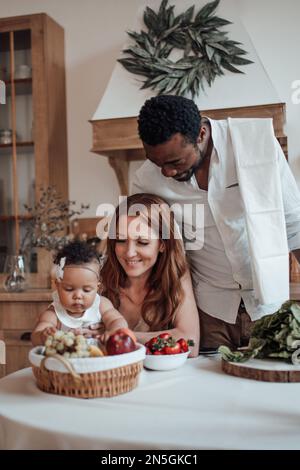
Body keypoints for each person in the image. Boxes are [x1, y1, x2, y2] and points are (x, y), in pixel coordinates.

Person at [132, 94, 300, 350]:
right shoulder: (146, 179)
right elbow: (143, 246)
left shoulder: (256, 143)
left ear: (200, 134)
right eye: (158, 163)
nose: (167, 172)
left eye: (175, 162)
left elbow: (294, 225)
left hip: (268, 305)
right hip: (208, 311)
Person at [99, 193, 200, 357]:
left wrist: (122, 335)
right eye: (120, 240)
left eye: (142, 242)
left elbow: (191, 342)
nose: (129, 253)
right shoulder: (98, 276)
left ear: (162, 244)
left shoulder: (176, 275)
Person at [31, 240, 129, 346]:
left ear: (97, 287)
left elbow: (118, 321)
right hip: (66, 362)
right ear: (57, 286)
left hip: (99, 360)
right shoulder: (53, 313)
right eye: (69, 289)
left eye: (86, 290)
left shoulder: (101, 305)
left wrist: (114, 331)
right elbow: (35, 337)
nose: (78, 296)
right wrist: (43, 336)